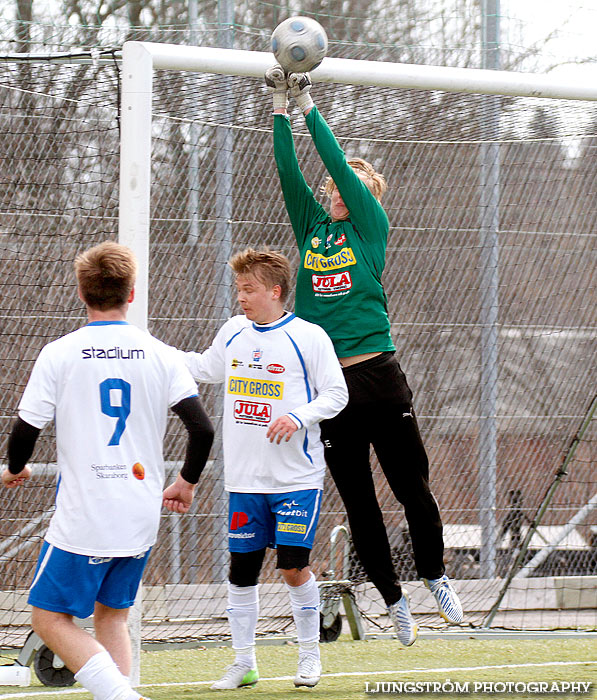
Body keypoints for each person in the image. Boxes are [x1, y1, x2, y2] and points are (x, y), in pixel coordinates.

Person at [264, 66, 464, 646]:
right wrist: (279, 110)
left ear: (364, 196)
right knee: (359, 502)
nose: (332, 191)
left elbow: (332, 167)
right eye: (332, 188)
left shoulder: (369, 227)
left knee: (411, 486)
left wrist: (307, 106)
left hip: (378, 375)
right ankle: (394, 599)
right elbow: (289, 174)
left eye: (344, 186)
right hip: (330, 388)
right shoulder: (314, 230)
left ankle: (434, 573)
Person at [2, 241, 214, 700]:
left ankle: (121, 695)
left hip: (86, 515)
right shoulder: (160, 354)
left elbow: (24, 431)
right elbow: (202, 430)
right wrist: (186, 482)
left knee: (47, 618)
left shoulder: (61, 353)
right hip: (139, 512)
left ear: (81, 292)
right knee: (112, 614)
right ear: (131, 294)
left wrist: (15, 468)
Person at [180, 248, 348, 690]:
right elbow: (203, 368)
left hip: (296, 477)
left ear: (275, 291)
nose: (241, 297)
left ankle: (310, 656)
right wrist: (152, 351)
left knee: (293, 567)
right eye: (238, 289)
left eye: (249, 289)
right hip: (244, 479)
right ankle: (243, 663)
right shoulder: (234, 332)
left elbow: (336, 394)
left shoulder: (308, 337)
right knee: (242, 570)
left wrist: (298, 416)